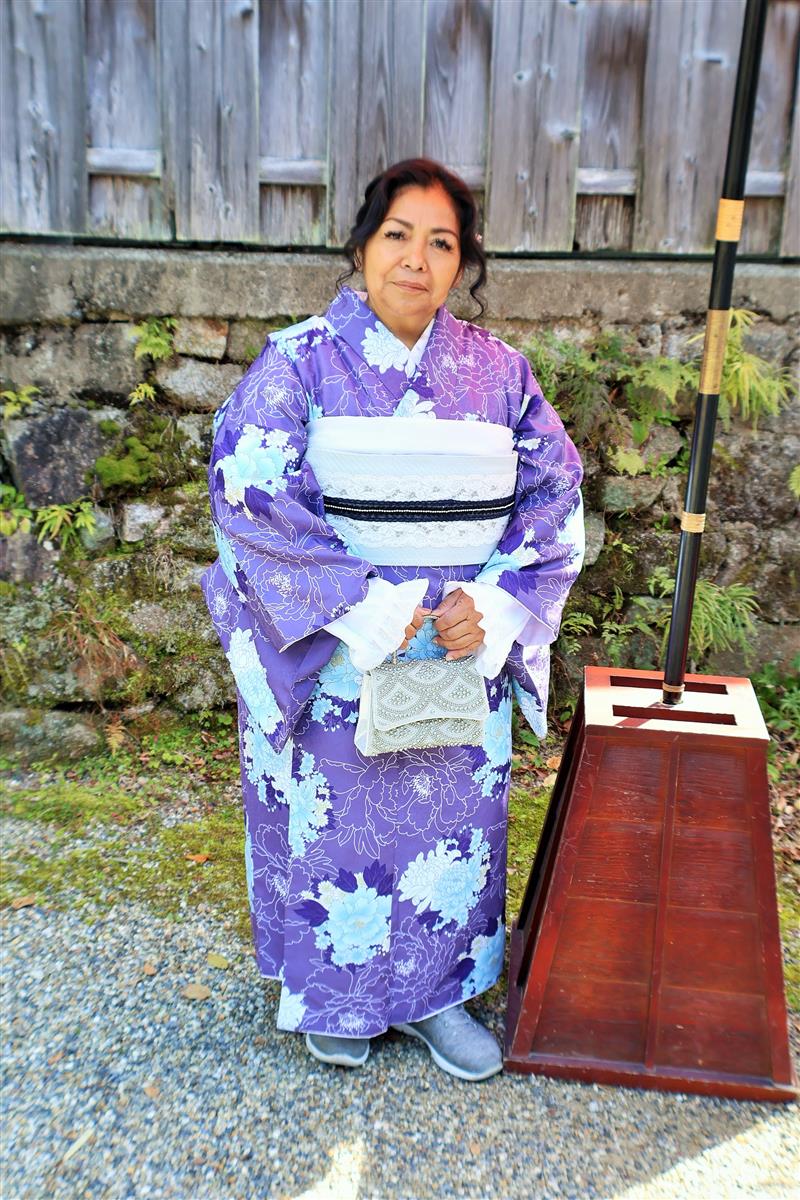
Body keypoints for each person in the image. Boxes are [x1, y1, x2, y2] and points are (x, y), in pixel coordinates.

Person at [201, 158, 584, 1082]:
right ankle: (336, 997)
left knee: (453, 824)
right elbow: (249, 493)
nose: (417, 258)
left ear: (463, 263)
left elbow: (555, 495)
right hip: (341, 644)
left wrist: (495, 604)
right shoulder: (297, 361)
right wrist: (366, 608)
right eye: (398, 235)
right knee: (334, 820)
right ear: (363, 245)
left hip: (458, 641)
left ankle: (441, 997)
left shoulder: (501, 374)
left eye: (441, 242)